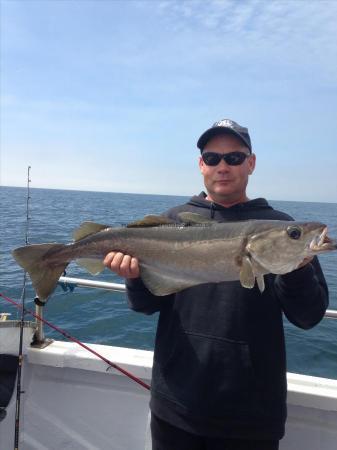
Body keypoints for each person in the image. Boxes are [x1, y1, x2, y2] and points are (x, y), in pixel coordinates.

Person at [104, 119, 329, 450]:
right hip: (175, 406)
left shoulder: (285, 230)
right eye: (212, 158)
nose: (223, 167)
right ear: (200, 165)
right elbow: (145, 305)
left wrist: (296, 265)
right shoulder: (171, 222)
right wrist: (134, 278)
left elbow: (308, 317)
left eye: (234, 158)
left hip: (252, 416)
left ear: (251, 163)